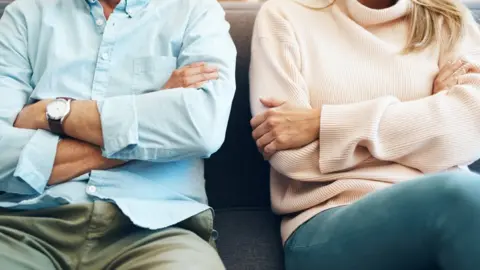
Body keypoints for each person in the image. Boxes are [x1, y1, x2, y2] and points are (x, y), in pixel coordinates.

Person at [0, 0, 236, 268]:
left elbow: (202, 127)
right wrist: (152, 116)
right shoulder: (25, 14)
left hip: (158, 233)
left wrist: (54, 115)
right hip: (23, 226)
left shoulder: (197, 11)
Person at [249, 0, 480, 269]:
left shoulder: (449, 16)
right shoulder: (284, 14)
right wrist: (426, 120)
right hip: (332, 219)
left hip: (457, 218)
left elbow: (470, 130)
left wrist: (323, 124)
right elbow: (290, 155)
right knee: (459, 196)